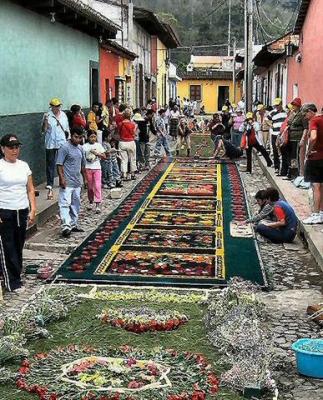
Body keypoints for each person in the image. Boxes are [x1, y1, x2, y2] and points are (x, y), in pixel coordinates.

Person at [0, 134, 36, 293]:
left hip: (21, 210)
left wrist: (33, 208)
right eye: (10, 147)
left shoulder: (24, 165)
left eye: (16, 147)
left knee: (18, 244)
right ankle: (12, 282)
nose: (14, 150)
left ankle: (12, 273)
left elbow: (30, 189)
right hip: (5, 211)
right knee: (8, 247)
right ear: (3, 149)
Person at [56, 126, 87, 238]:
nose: (78, 139)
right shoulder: (64, 148)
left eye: (80, 137)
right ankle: (66, 226)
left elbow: (83, 165)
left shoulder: (80, 149)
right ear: (71, 135)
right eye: (76, 137)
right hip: (67, 182)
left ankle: (73, 224)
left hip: (77, 182)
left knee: (76, 204)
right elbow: (59, 164)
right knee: (64, 203)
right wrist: (62, 178)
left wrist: (85, 179)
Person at [41, 98, 69, 199]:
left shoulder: (63, 115)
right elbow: (43, 130)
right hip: (50, 142)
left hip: (61, 142)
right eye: (54, 106)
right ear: (51, 106)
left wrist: (68, 140)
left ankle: (63, 179)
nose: (56, 108)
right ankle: (50, 183)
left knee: (62, 162)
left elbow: (66, 128)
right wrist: (45, 122)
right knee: (50, 163)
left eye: (58, 106)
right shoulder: (47, 115)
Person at [302, 103, 323, 224]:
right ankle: (321, 213)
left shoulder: (314, 120)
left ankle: (315, 214)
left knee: (316, 186)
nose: (305, 117)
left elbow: (313, 137)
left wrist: (308, 150)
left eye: (305, 114)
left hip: (315, 158)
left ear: (310, 111)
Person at [283, 97, 308, 180]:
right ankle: (290, 173)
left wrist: (303, 139)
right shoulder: (292, 113)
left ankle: (295, 174)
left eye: (294, 105)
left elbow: (305, 128)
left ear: (298, 105)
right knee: (289, 156)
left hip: (297, 138)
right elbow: (288, 123)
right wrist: (291, 115)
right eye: (292, 105)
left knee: (295, 157)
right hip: (290, 137)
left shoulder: (302, 115)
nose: (293, 106)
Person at [83, 131, 106, 214]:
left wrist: (97, 154)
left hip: (97, 168)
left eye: (94, 137)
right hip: (88, 168)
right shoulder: (84, 147)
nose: (93, 138)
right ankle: (90, 201)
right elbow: (82, 158)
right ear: (87, 137)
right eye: (91, 137)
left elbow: (104, 156)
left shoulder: (98, 145)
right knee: (90, 187)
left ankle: (97, 204)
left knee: (97, 185)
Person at [267, 98, 287, 175]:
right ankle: (277, 167)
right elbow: (266, 119)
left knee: (283, 151)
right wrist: (271, 125)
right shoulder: (272, 113)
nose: (276, 107)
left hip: (282, 134)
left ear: (281, 104)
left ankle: (283, 169)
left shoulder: (285, 112)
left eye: (278, 105)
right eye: (275, 105)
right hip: (274, 134)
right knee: (275, 151)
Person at [119, 109, 137, 180]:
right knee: (132, 158)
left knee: (123, 159)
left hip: (122, 142)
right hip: (131, 142)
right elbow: (134, 133)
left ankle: (124, 175)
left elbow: (119, 132)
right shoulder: (133, 124)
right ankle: (132, 174)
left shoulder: (121, 124)